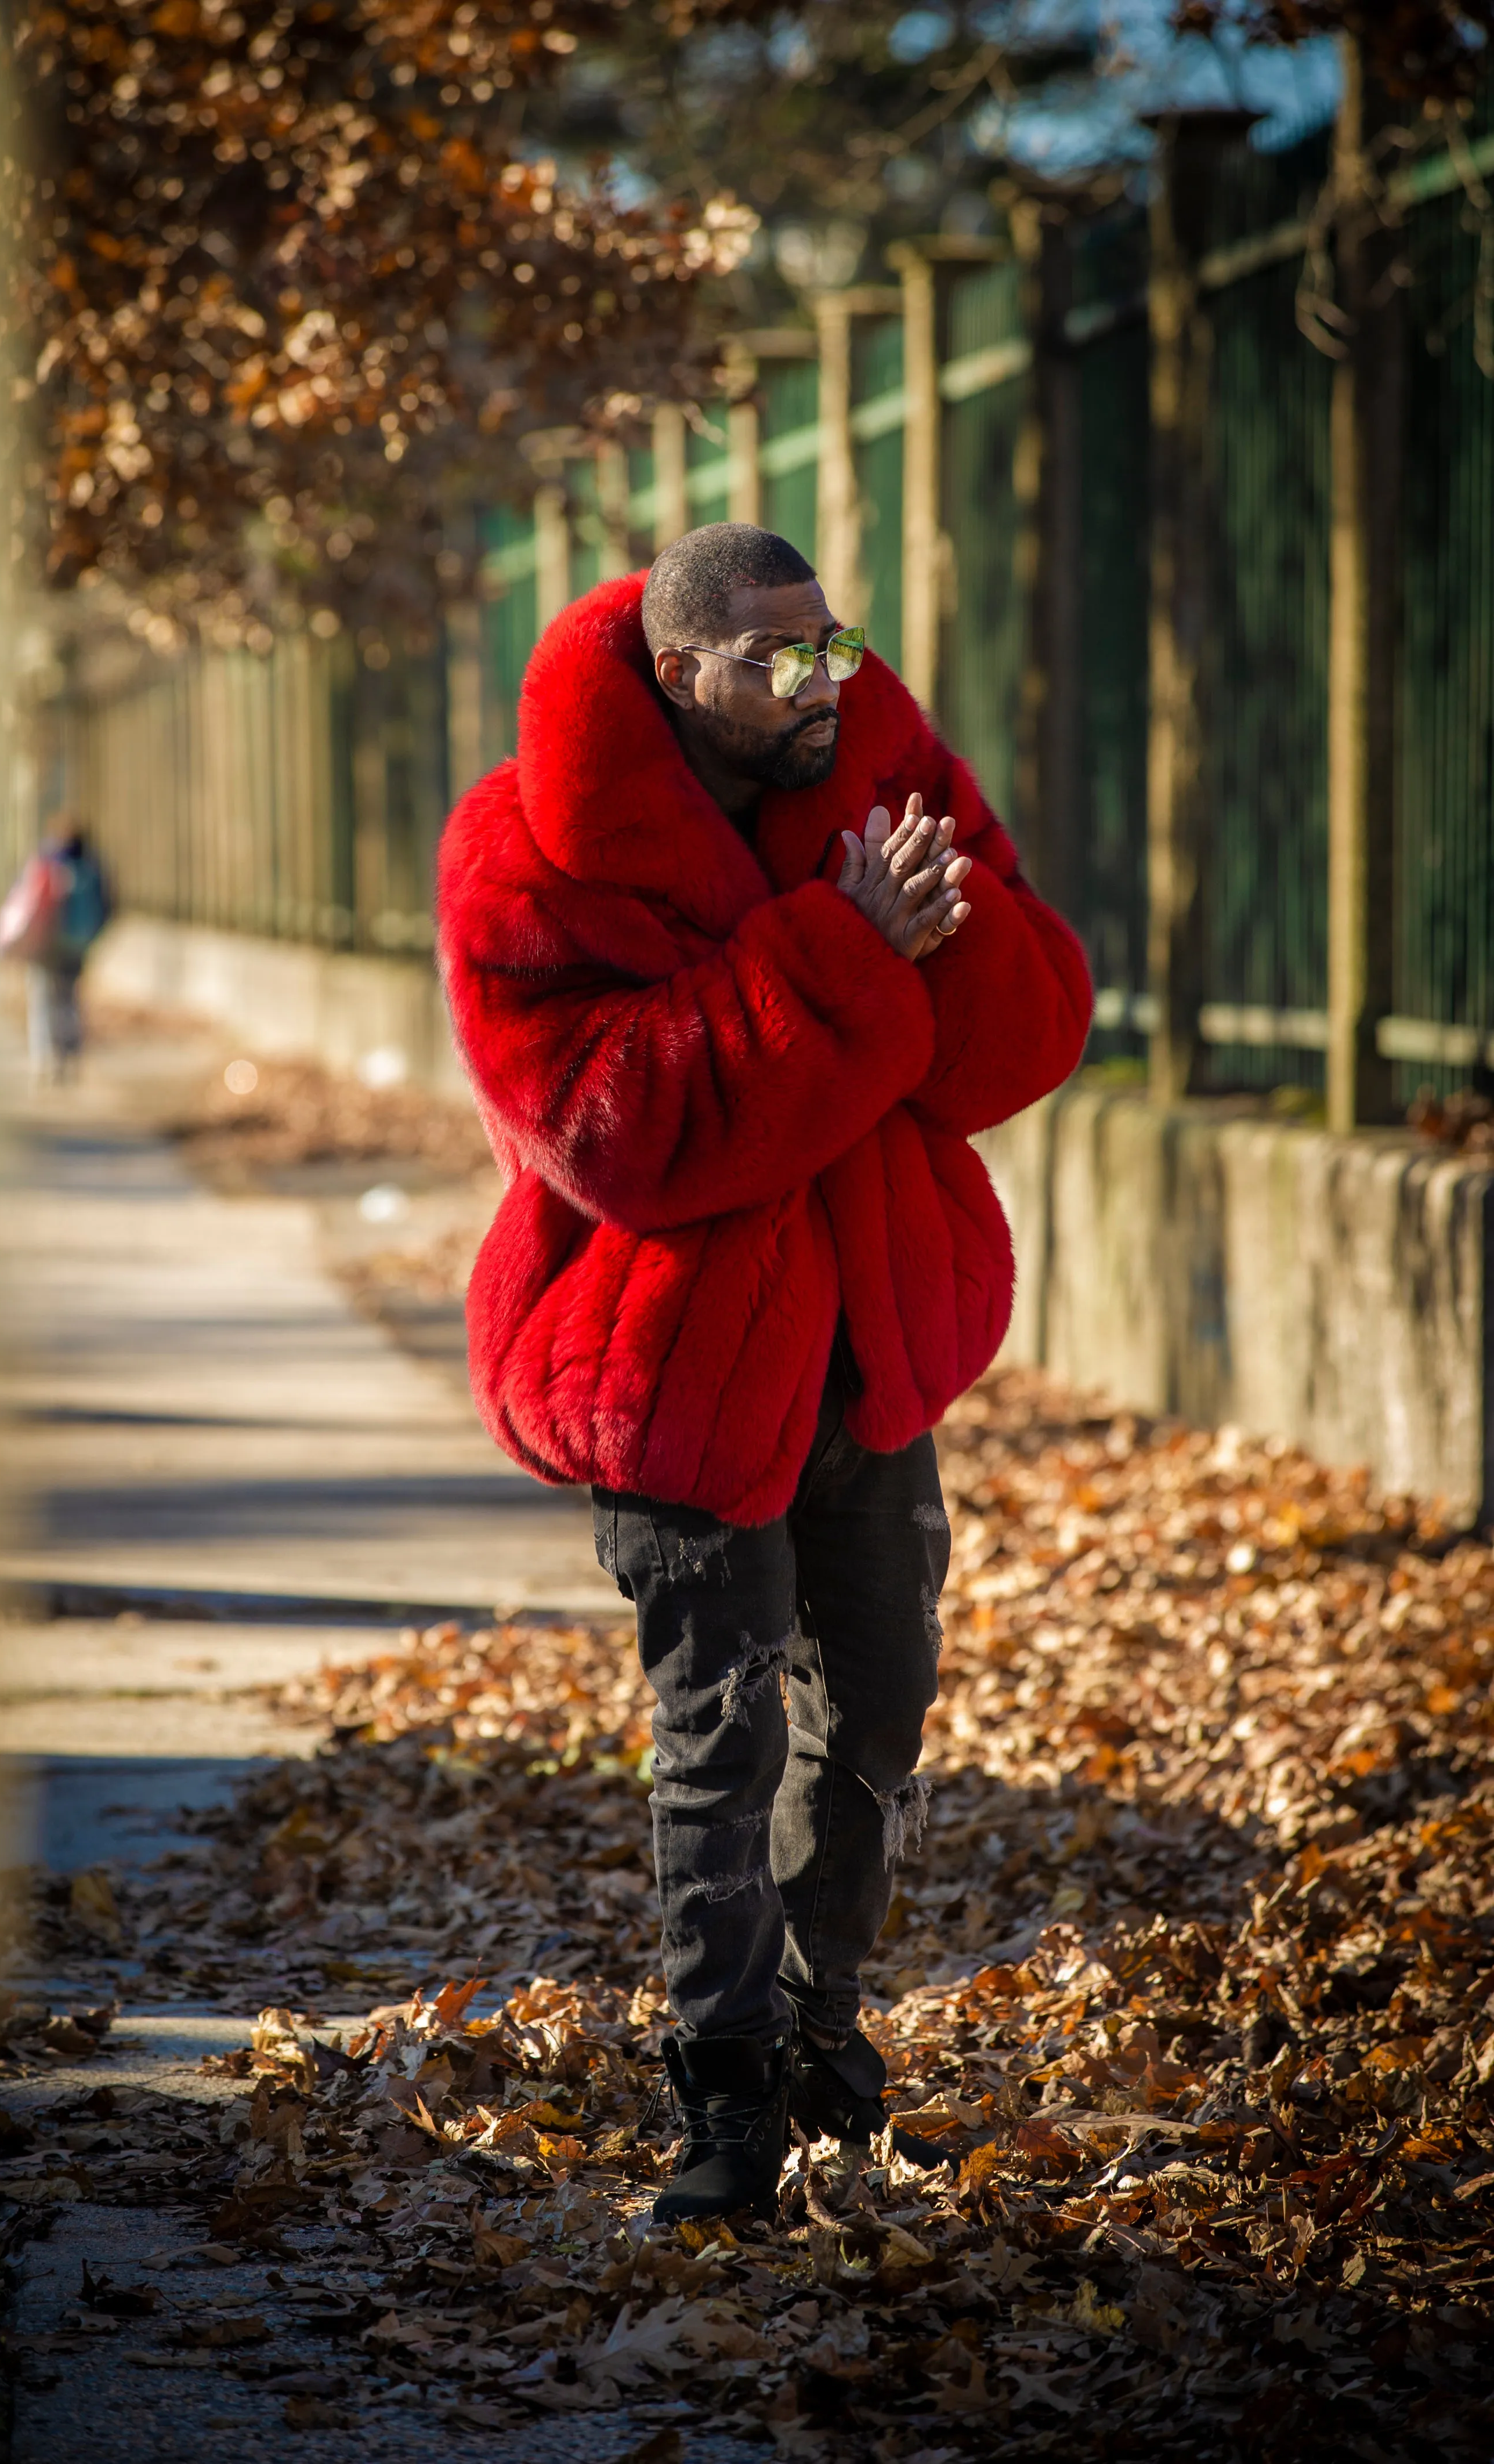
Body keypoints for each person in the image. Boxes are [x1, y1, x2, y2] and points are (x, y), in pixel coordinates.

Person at [437, 525, 1091, 2222]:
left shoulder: (880, 768)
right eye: (776, 658)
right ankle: (720, 2099)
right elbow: (616, 1132)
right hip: (667, 1364)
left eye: (834, 643)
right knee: (714, 1742)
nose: (825, 681)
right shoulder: (521, 856)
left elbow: (1014, 1043)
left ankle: (820, 2030)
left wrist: (933, 950)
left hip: (867, 1345)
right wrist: (838, 954)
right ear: (677, 675)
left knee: (871, 1712)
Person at [0, 823, 113, 1084]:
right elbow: (108, 907)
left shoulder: (44, 863)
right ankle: (70, 1055)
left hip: (45, 944)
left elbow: (23, 902)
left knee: (42, 1000)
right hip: (77, 945)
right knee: (69, 999)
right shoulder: (92, 867)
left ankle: (44, 1059)